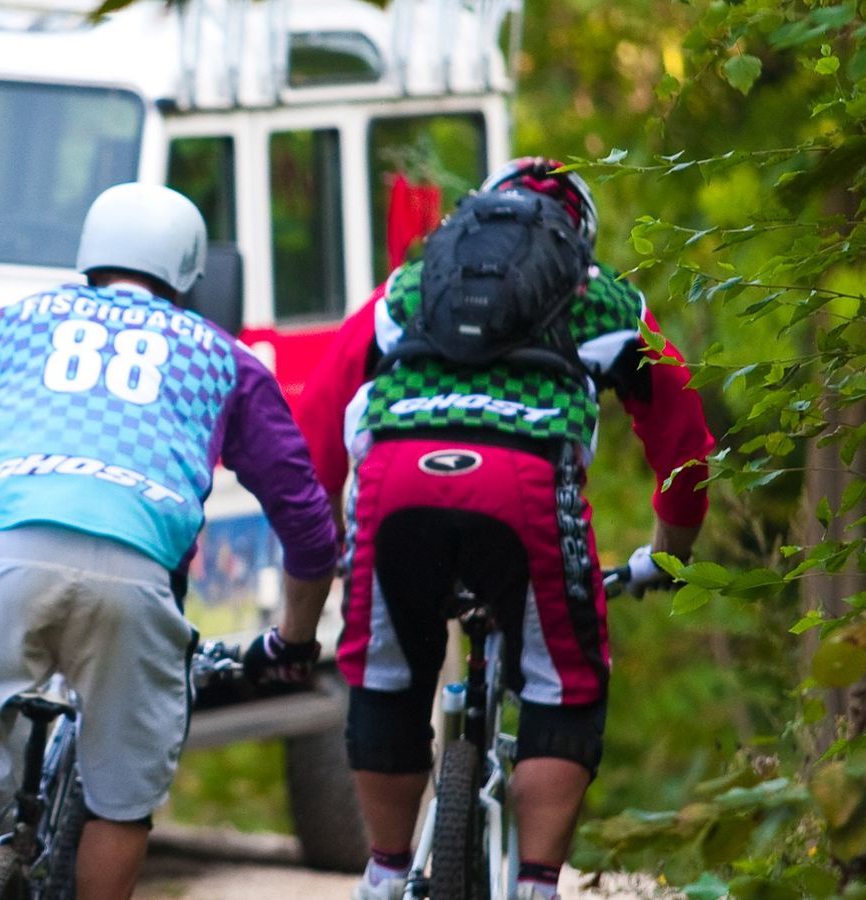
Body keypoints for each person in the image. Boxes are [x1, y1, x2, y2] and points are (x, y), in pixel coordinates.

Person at [0, 182, 339, 900]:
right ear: (189, 271)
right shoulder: (224, 359)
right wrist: (295, 643)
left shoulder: (12, 325)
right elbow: (307, 527)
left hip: (1, 558)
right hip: (137, 580)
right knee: (121, 802)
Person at [295, 158, 715, 900]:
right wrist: (669, 557)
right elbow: (681, 434)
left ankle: (385, 874)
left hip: (394, 480)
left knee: (385, 677)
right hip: (521, 485)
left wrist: (328, 540)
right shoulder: (601, 295)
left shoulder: (411, 284)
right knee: (565, 687)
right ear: (574, 232)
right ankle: (536, 885)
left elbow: (324, 411)